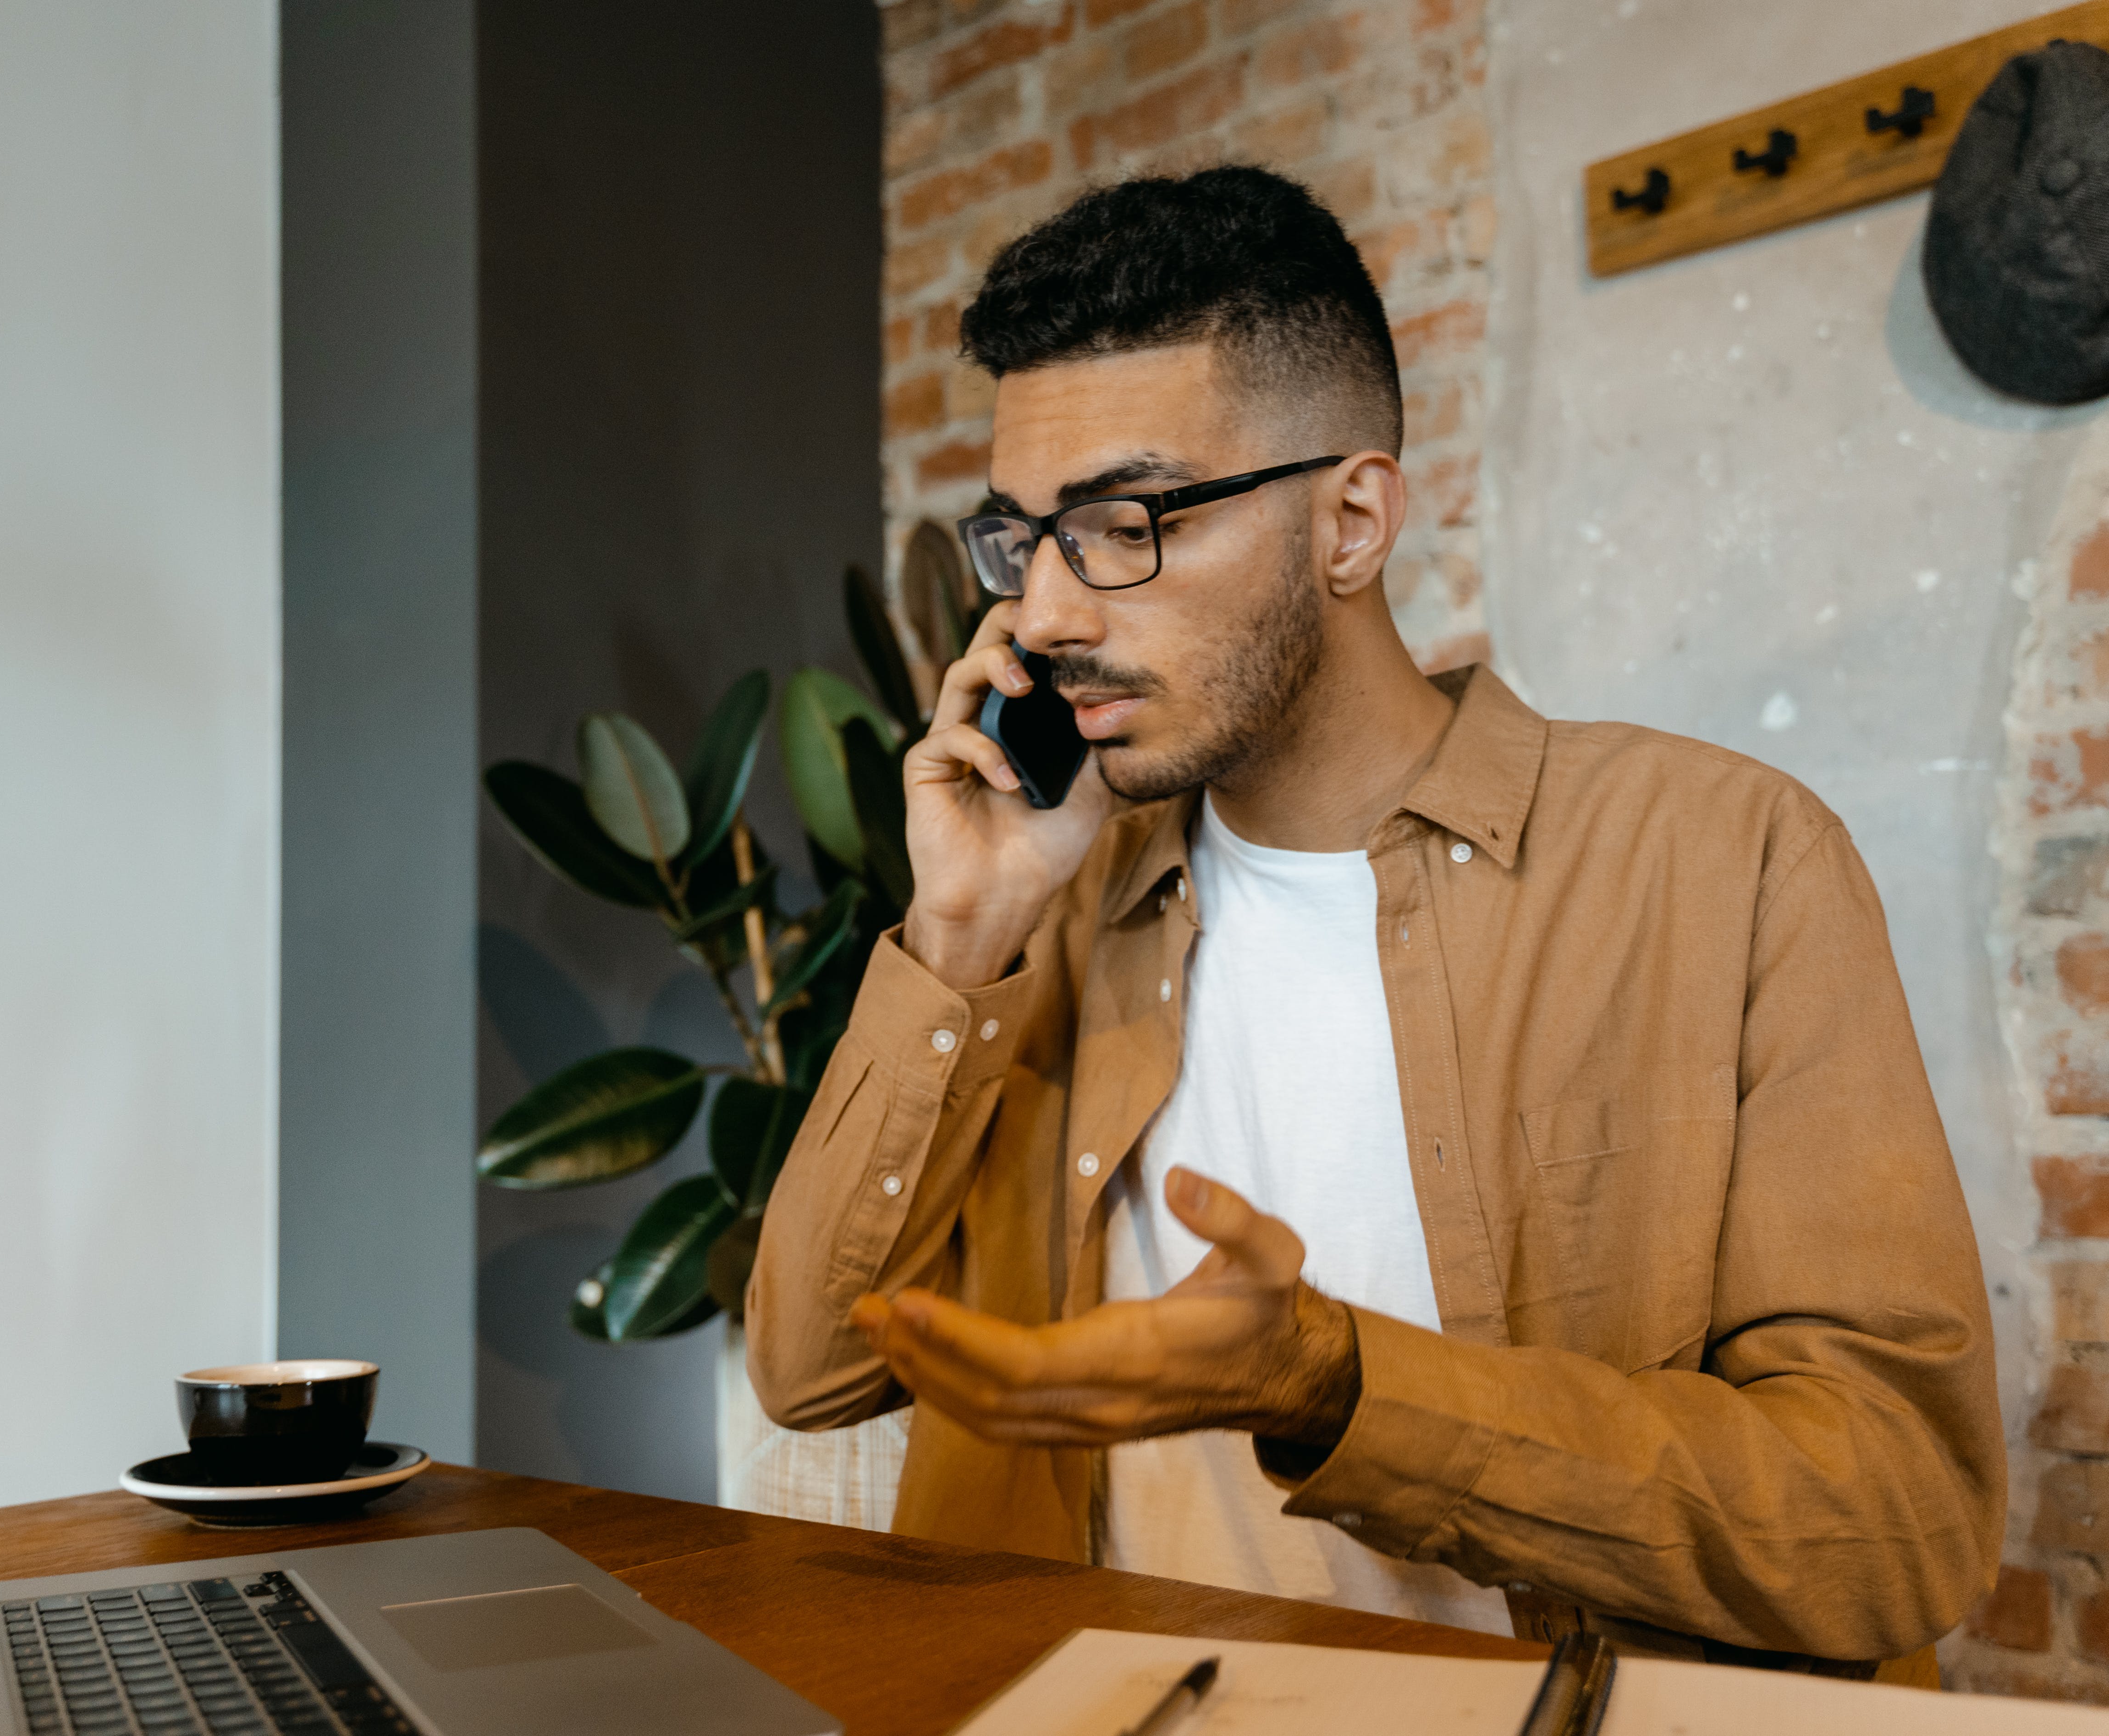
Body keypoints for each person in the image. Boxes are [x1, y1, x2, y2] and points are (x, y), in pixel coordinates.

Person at [744, 165, 2001, 1679]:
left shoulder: (1724, 859)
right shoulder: (1053, 902)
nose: (1052, 615)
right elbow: (806, 1372)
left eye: (1127, 521)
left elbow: (1897, 1519)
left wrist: (1333, 1383)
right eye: (1028, 539)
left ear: (1351, 522)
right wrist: (961, 932)